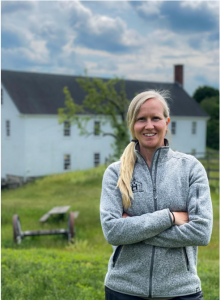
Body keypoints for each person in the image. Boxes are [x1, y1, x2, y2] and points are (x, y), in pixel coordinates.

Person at [100, 90, 213, 300]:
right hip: (124, 289)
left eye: (155, 118)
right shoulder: (115, 173)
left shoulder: (191, 169)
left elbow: (201, 232)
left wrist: (134, 230)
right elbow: (113, 232)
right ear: (132, 124)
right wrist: (169, 218)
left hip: (181, 291)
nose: (149, 125)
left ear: (167, 122)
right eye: (141, 119)